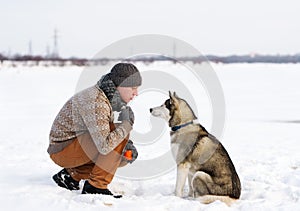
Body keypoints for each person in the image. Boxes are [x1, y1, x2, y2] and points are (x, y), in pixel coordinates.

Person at [47, 63, 141, 198]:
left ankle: (71, 175)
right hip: (62, 149)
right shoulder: (97, 101)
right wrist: (126, 125)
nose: (136, 93)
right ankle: (96, 186)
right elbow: (105, 146)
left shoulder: (107, 97)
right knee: (116, 139)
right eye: (133, 88)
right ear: (120, 85)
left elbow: (104, 132)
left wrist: (126, 144)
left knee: (123, 156)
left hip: (72, 147)